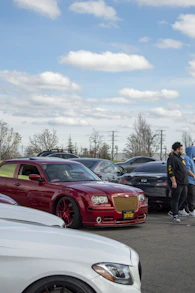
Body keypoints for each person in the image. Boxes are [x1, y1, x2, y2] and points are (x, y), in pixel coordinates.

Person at [167, 142, 188, 223]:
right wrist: (173, 182)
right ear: (177, 149)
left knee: (184, 196)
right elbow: (170, 171)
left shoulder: (180, 158)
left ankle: (173, 210)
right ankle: (175, 215)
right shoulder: (172, 158)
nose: (182, 151)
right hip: (177, 182)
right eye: (181, 149)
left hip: (183, 182)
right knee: (176, 198)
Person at [179, 146, 195, 217]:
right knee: (190, 196)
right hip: (189, 181)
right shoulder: (187, 158)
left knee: (187, 196)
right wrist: (194, 176)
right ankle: (191, 211)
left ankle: (183, 209)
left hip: (192, 181)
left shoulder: (191, 159)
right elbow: (187, 169)